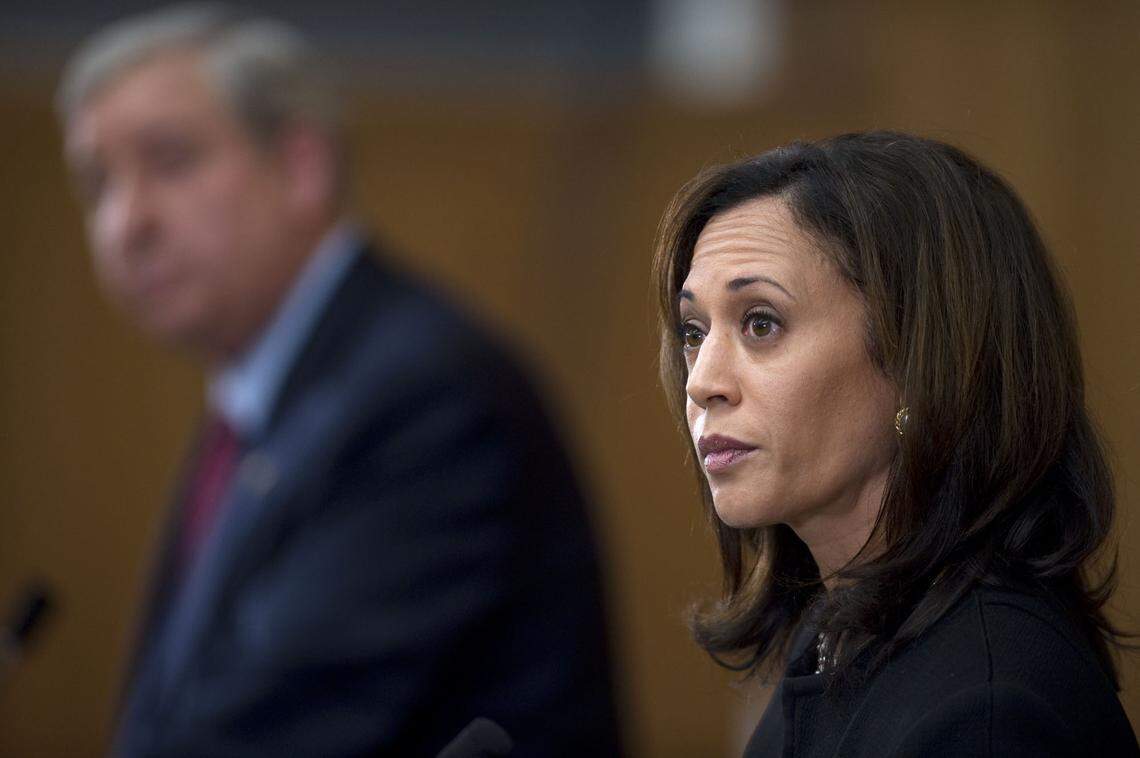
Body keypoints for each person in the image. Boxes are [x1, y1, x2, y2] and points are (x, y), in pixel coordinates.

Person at [58, 5, 621, 756]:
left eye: (170, 160)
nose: (127, 222)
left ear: (300, 167)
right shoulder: (268, 394)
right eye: (98, 182)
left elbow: (272, 736)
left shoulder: (425, 401)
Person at [652, 131, 1138, 756]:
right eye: (694, 330)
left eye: (760, 323)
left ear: (919, 362)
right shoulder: (839, 632)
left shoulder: (987, 715)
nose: (703, 382)